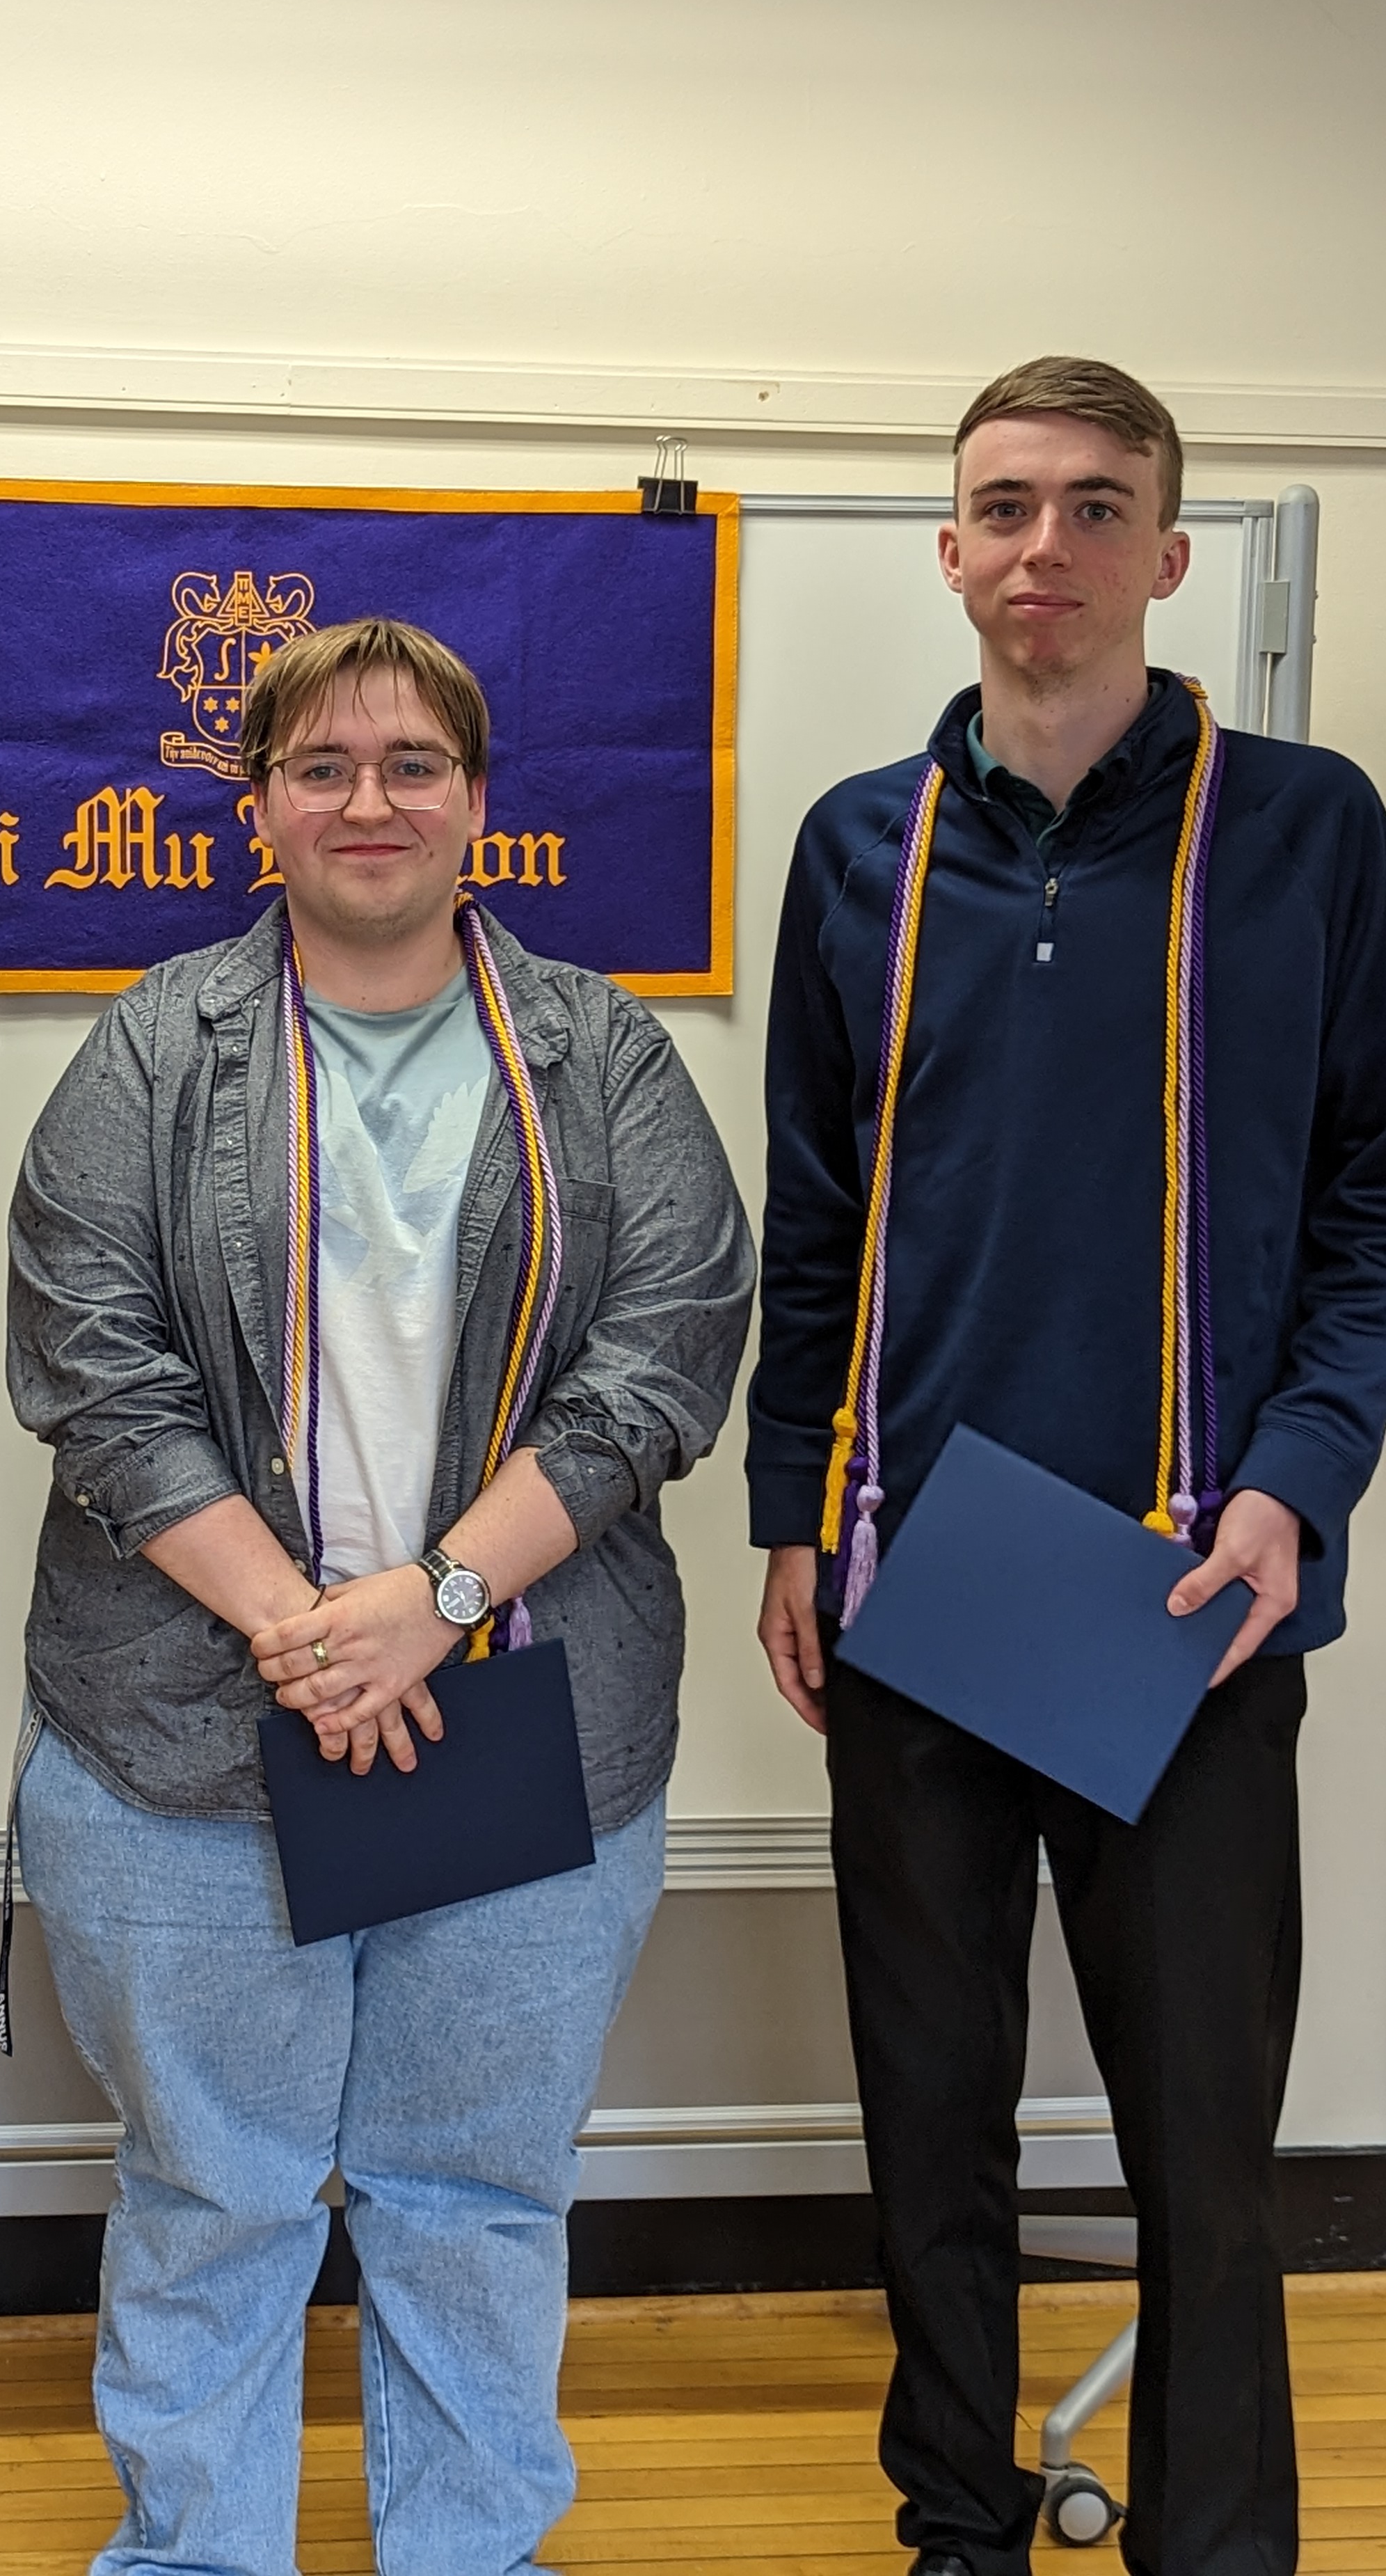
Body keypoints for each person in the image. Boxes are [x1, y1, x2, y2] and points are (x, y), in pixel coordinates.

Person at [6, 615, 753, 2576]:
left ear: (477, 802)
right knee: (215, 2195)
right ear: (257, 805)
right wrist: (305, 1631)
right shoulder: (151, 1050)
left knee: (475, 2195)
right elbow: (93, 1363)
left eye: (414, 763)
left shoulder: (603, 1054)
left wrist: (435, 1598)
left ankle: (468, 2555)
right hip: (184, 1731)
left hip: (526, 1711)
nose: (370, 801)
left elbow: (667, 1356)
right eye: (322, 766)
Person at [748, 356, 1386, 2576]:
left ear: (1169, 555)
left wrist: (1297, 1478)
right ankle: (957, 2526)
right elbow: (816, 1217)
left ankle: (1218, 2547)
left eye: (1098, 505)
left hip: (1187, 1597)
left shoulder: (1310, 832)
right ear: (949, 552)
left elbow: (1370, 1206)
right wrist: (791, 1515)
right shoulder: (858, 847)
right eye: (1007, 504)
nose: (1048, 544)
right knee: (931, 2129)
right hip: (923, 1585)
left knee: (1204, 2151)